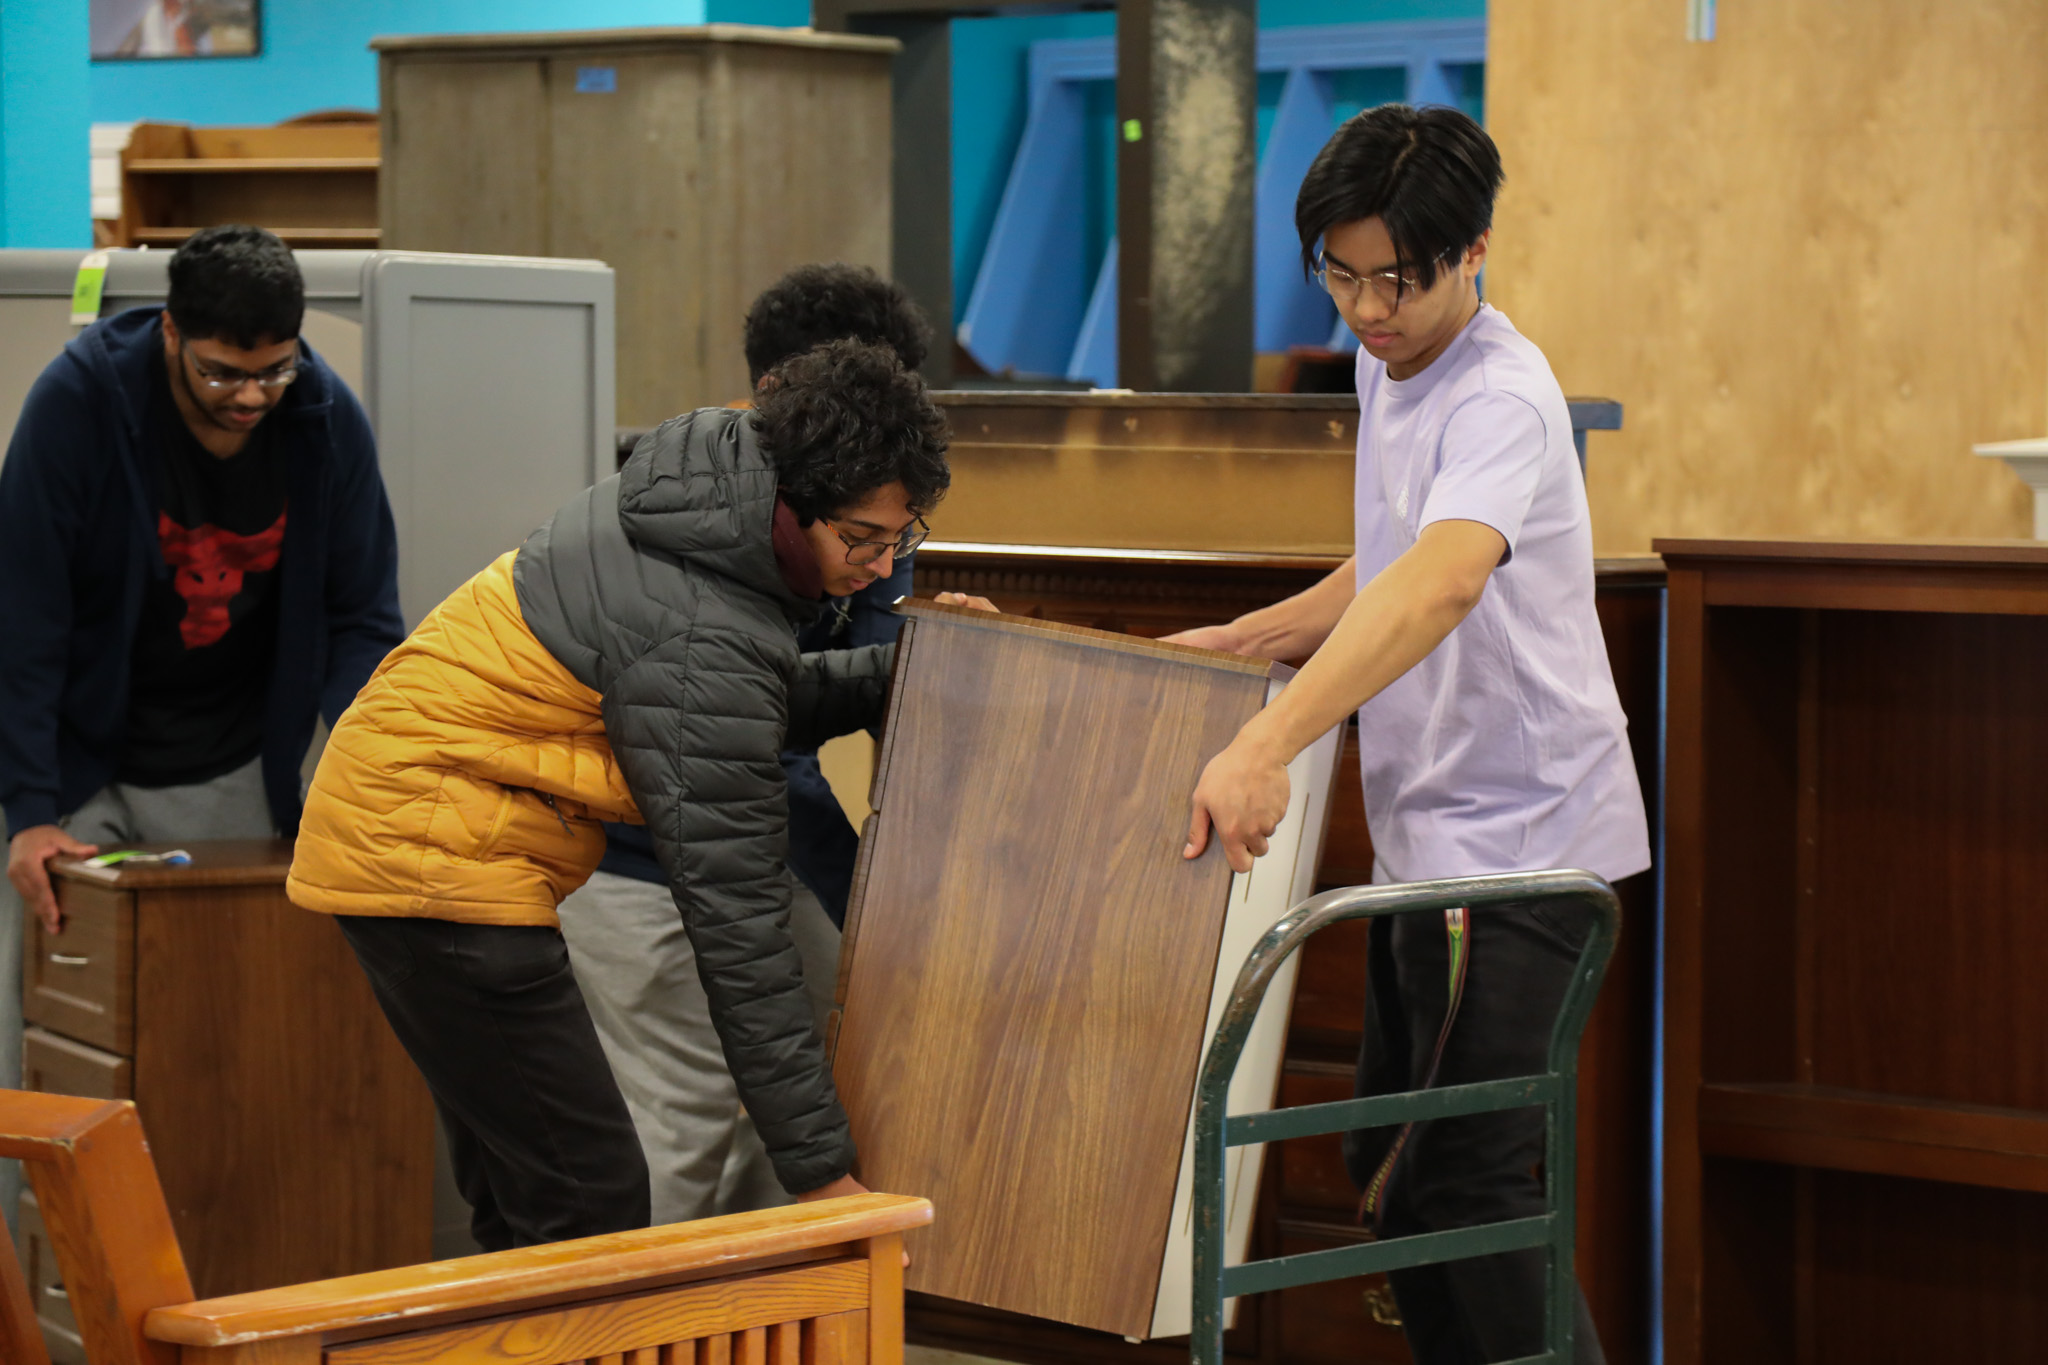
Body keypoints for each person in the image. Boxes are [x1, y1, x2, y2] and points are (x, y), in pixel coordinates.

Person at [286, 339, 966, 1249]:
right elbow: (739, 918)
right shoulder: (703, 621)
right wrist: (821, 1174)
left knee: (533, 1200)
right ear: (795, 502)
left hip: (414, 824)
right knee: (589, 1196)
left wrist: (907, 670)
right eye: (862, 539)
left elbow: (739, 697)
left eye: (902, 539)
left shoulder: (709, 505)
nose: (882, 568)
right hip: (435, 854)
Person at [1170, 105, 1648, 1365]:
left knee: (1475, 1200)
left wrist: (1268, 747)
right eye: (1341, 274)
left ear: (1472, 250)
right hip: (1433, 846)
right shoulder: (1394, 373)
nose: (1368, 308)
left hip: (1524, 853)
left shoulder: (1499, 391)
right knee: (1393, 1178)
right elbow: (1380, 565)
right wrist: (1239, 644)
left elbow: (1440, 580)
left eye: (1397, 277)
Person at [0, 223, 401, 1218]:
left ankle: (190, 1263)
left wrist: (355, 776)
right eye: (224, 375)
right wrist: (29, 810)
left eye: (272, 373)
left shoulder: (322, 419)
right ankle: (34, 1287)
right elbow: (24, 616)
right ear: (172, 331)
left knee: (217, 1034)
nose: (250, 400)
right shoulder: (80, 404)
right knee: (45, 1032)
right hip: (79, 762)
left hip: (225, 763)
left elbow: (363, 618)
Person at [559, 263, 931, 1224]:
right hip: (636, 853)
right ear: (780, 404)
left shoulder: (870, 499)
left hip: (763, 836)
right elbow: (719, 759)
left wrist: (937, 656)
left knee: (816, 1101)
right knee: (678, 1134)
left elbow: (853, 674)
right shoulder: (669, 510)